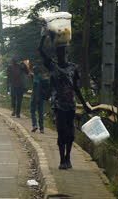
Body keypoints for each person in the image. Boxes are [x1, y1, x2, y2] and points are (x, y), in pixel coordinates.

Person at [39, 35, 91, 170]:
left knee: (71, 134)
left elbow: (76, 87)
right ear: (57, 54)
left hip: (71, 105)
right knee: (61, 131)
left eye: (63, 52)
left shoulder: (73, 68)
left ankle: (68, 157)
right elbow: (40, 50)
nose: (61, 55)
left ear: (66, 54)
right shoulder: (52, 66)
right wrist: (44, 37)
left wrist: (84, 104)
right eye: (59, 52)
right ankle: (62, 160)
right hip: (58, 104)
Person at [30, 66, 47, 133]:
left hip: (35, 97)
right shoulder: (41, 76)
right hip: (41, 97)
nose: (33, 71)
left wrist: (37, 96)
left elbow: (37, 87)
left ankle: (34, 125)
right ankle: (42, 128)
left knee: (32, 111)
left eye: (34, 70)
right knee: (40, 113)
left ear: (36, 71)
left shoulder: (37, 77)